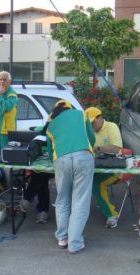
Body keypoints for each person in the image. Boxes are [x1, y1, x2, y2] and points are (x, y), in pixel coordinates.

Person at [46, 100, 95, 254]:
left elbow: (49, 150)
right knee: (80, 201)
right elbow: (91, 139)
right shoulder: (81, 115)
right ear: (70, 107)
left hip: (61, 160)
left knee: (62, 199)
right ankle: (74, 243)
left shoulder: (51, 125)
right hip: (83, 157)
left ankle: (62, 238)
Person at [85, 107, 123, 229]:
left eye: (92, 123)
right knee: (75, 177)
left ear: (100, 118)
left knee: (96, 184)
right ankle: (74, 214)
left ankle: (111, 215)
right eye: (89, 124)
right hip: (95, 166)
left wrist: (98, 148)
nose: (91, 126)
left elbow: (117, 149)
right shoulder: (88, 130)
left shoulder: (111, 127)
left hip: (114, 167)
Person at [0, 71, 18, 160]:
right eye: (0, 79)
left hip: (5, 129)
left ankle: (5, 172)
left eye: (4, 79)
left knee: (5, 154)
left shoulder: (12, 94)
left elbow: (6, 107)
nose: (2, 82)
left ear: (9, 81)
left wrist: (0, 95)